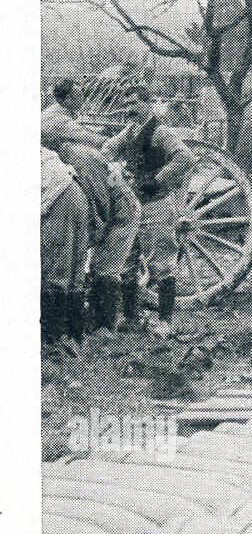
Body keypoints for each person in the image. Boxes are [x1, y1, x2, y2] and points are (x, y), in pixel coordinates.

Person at [102, 88, 196, 335]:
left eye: (134, 104)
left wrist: (157, 179)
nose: (129, 109)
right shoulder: (131, 130)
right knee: (127, 261)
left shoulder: (162, 133)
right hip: (132, 206)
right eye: (127, 104)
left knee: (162, 263)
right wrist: (113, 168)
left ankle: (165, 322)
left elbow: (186, 158)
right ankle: (131, 318)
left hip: (157, 206)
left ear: (149, 104)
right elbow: (108, 149)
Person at [55, 142, 141, 335]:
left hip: (123, 211)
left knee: (105, 268)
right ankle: (96, 320)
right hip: (114, 197)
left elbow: (99, 205)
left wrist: (88, 240)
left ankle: (105, 327)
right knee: (98, 266)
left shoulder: (79, 160)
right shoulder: (70, 153)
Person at [41, 148, 90, 351]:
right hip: (76, 194)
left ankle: (52, 340)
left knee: (54, 271)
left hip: (58, 200)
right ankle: (75, 334)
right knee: (74, 272)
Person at [41, 78, 106, 154]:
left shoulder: (57, 109)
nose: (83, 98)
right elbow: (90, 138)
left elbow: (77, 129)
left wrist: (98, 130)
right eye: (79, 95)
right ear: (68, 100)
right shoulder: (60, 119)